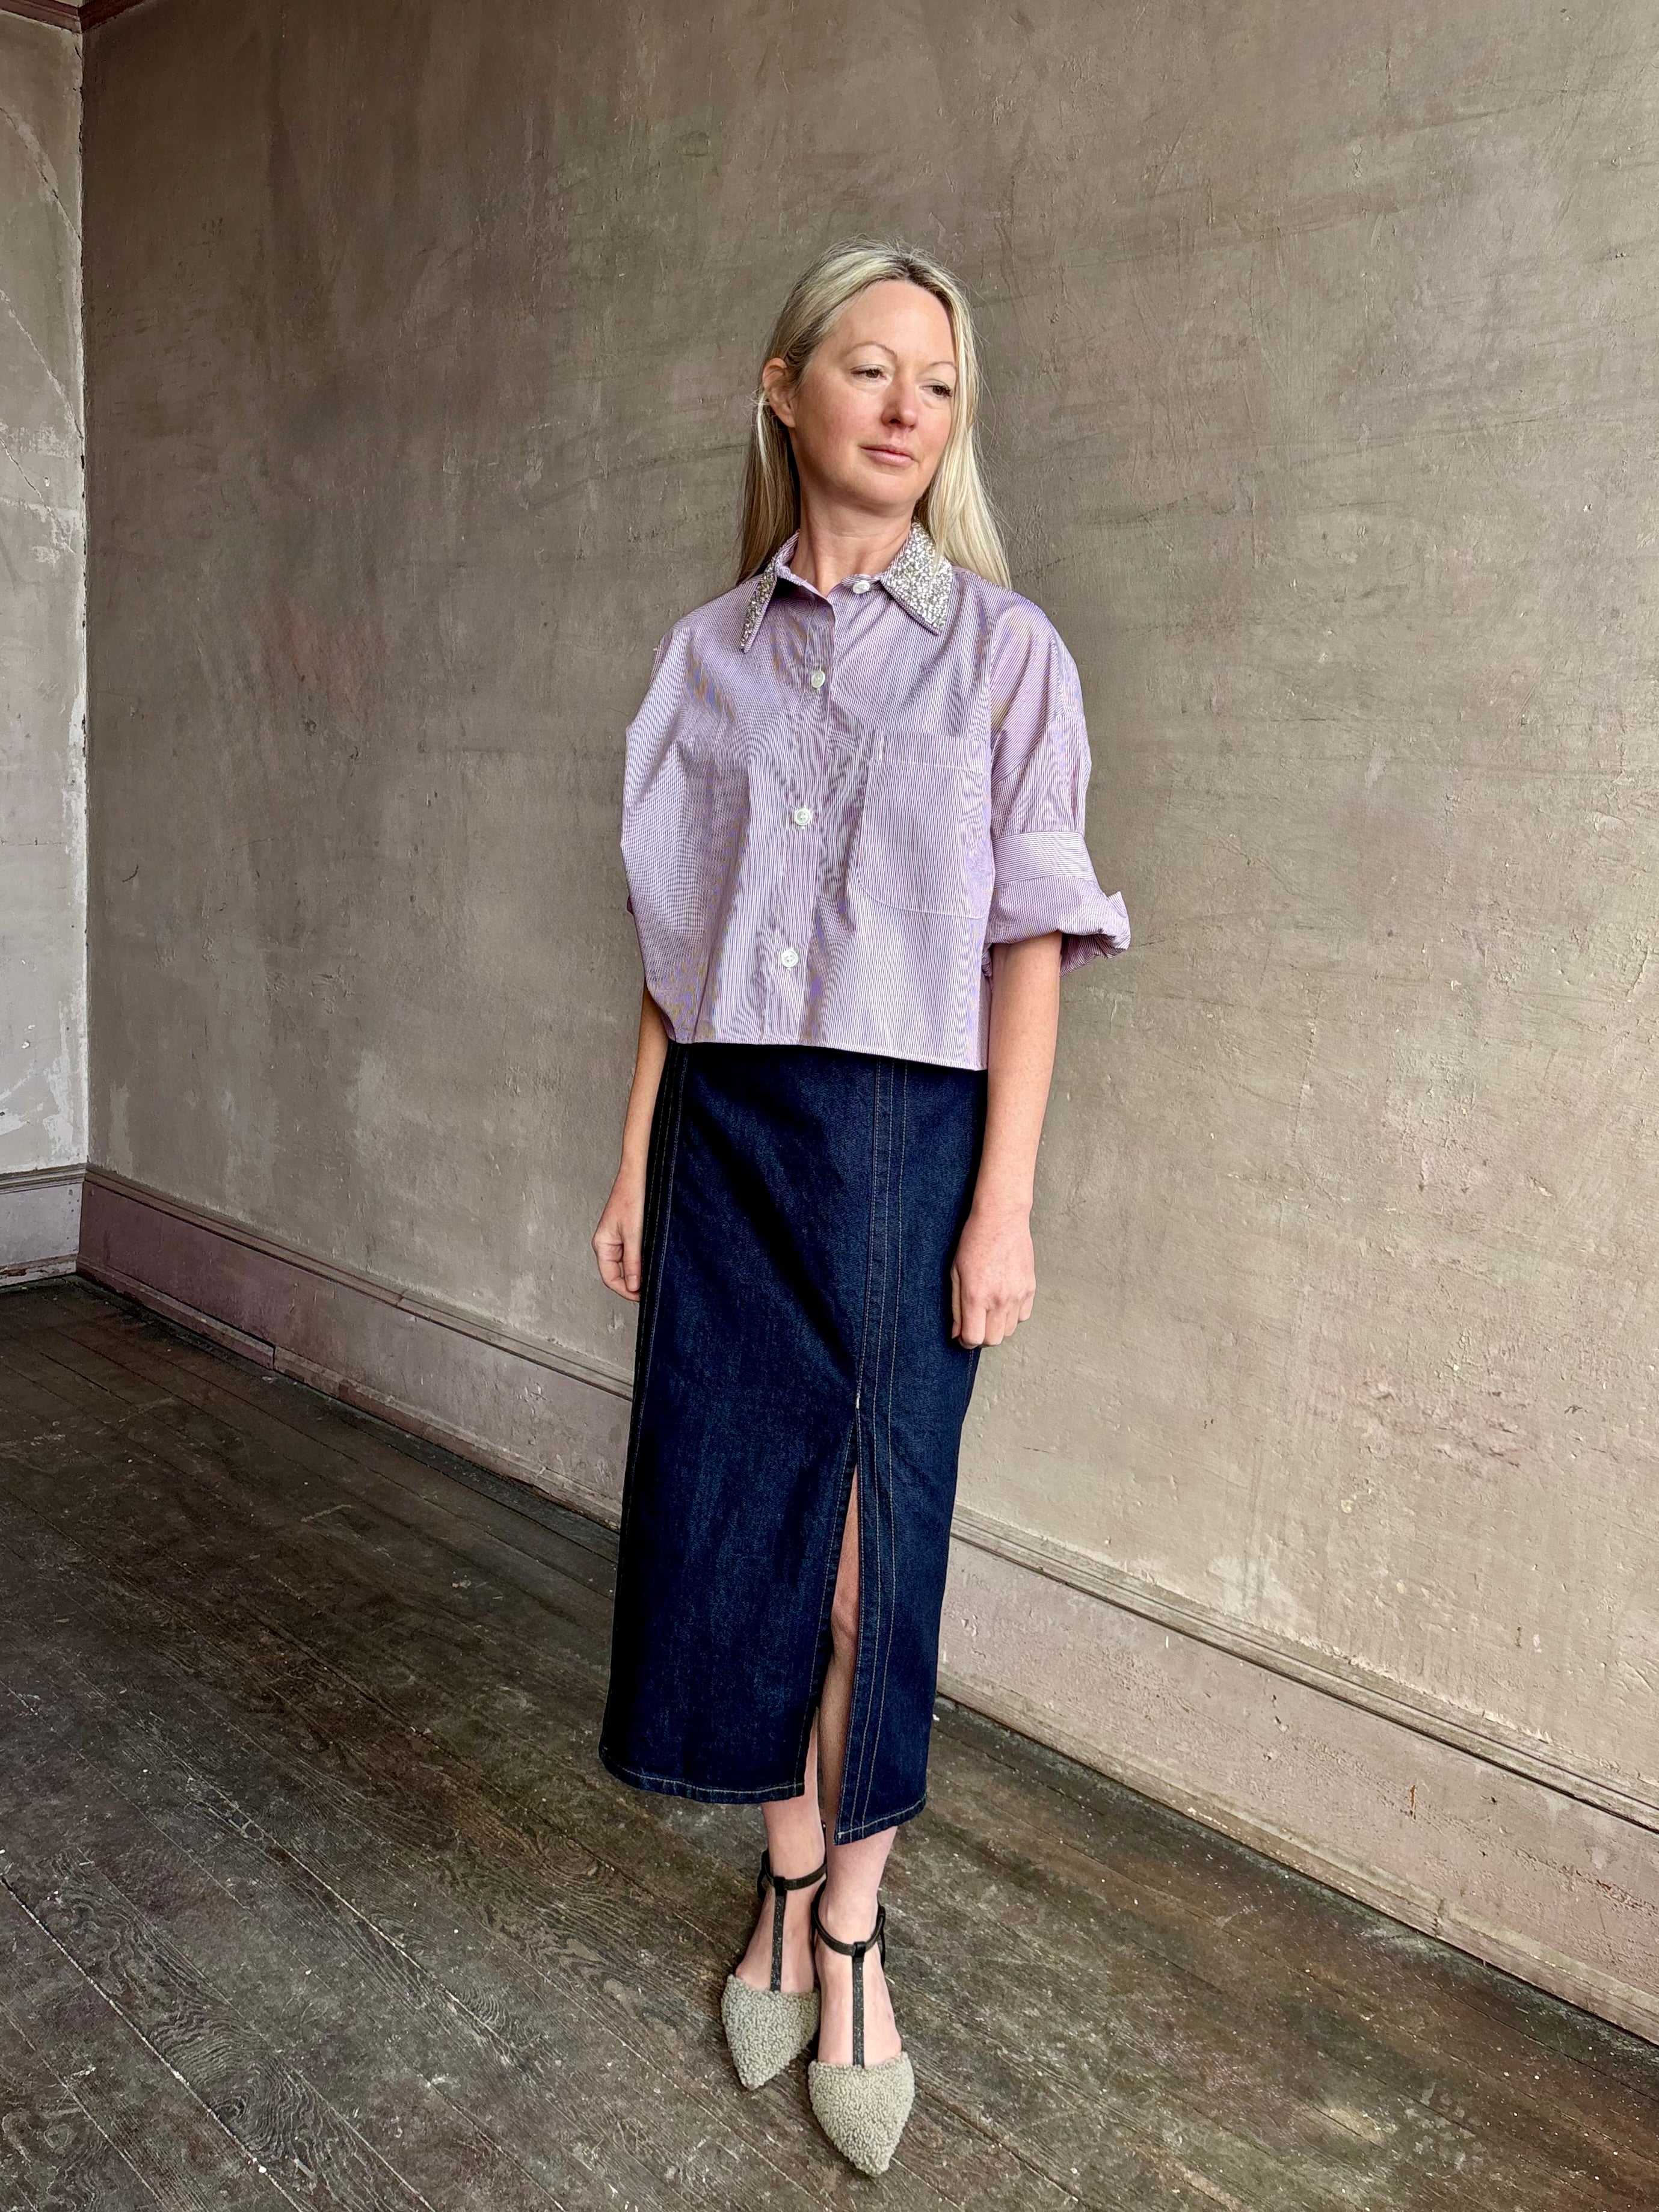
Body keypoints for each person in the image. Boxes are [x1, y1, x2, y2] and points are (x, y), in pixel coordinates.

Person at [590, 238, 1129, 2178]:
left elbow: (1029, 946)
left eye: (940, 382)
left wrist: (1006, 1206)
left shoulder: (1008, 655)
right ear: (787, 387)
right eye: (873, 367)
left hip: (911, 1144)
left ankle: (849, 1936)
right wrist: (636, 1157)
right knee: (738, 1538)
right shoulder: (706, 659)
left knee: (862, 1568)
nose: (909, 408)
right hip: (729, 1134)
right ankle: (779, 1876)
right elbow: (677, 947)